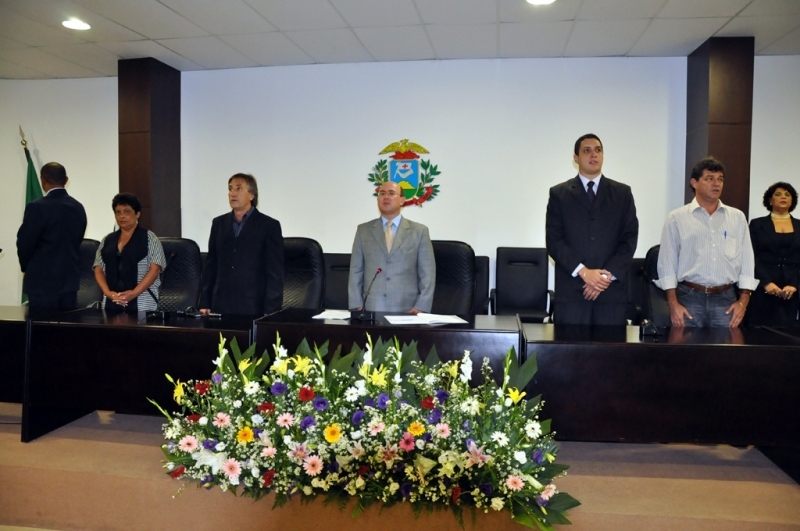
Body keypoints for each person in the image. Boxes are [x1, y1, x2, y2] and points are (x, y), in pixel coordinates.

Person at [545, 134, 639, 325]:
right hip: (572, 293)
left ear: (603, 156)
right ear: (576, 158)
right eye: (586, 150)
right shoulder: (559, 194)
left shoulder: (622, 193)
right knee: (569, 344)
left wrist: (604, 277)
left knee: (610, 345)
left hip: (611, 293)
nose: (593, 154)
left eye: (598, 150)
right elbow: (554, 241)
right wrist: (584, 272)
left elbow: (629, 240)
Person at [655, 157, 758, 328]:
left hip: (726, 298)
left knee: (726, 345)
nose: (716, 184)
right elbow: (667, 263)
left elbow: (747, 261)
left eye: (720, 179)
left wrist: (743, 302)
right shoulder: (677, 218)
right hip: (688, 297)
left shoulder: (737, 217)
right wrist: (673, 304)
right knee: (686, 345)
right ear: (694, 183)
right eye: (709, 178)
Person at [200, 173, 284, 315]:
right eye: (230, 189)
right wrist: (205, 302)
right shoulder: (219, 223)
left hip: (254, 305)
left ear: (252, 195)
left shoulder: (269, 225)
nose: (233, 193)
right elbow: (211, 265)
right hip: (221, 304)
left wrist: (271, 310)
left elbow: (274, 272)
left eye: (239, 188)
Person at [348, 181, 435, 314]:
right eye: (382, 193)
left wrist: (421, 306)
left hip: (408, 308)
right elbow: (356, 270)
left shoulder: (419, 231)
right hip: (371, 308)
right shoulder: (363, 230)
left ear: (402, 200)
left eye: (391, 193)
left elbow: (427, 273)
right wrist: (357, 305)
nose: (386, 197)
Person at [16, 162, 87, 316]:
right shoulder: (78, 207)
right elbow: (77, 240)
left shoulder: (36, 207)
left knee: (41, 328)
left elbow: (25, 242)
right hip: (69, 281)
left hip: (41, 281)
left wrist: (27, 267)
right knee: (67, 328)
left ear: (42, 180)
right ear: (66, 180)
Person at [93, 193, 167, 313]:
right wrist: (108, 293)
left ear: (137, 214)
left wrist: (133, 293)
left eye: (127, 212)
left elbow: (155, 270)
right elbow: (98, 269)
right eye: (118, 212)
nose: (122, 216)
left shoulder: (149, 238)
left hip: (142, 301)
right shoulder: (107, 240)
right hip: (111, 301)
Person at [747, 182, 800, 326]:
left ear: (792, 201)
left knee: (788, 332)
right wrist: (766, 282)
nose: (783, 197)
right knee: (759, 331)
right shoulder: (757, 224)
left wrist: (794, 284)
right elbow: (751, 255)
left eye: (787, 195)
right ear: (770, 200)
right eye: (778, 194)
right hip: (764, 287)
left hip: (792, 290)